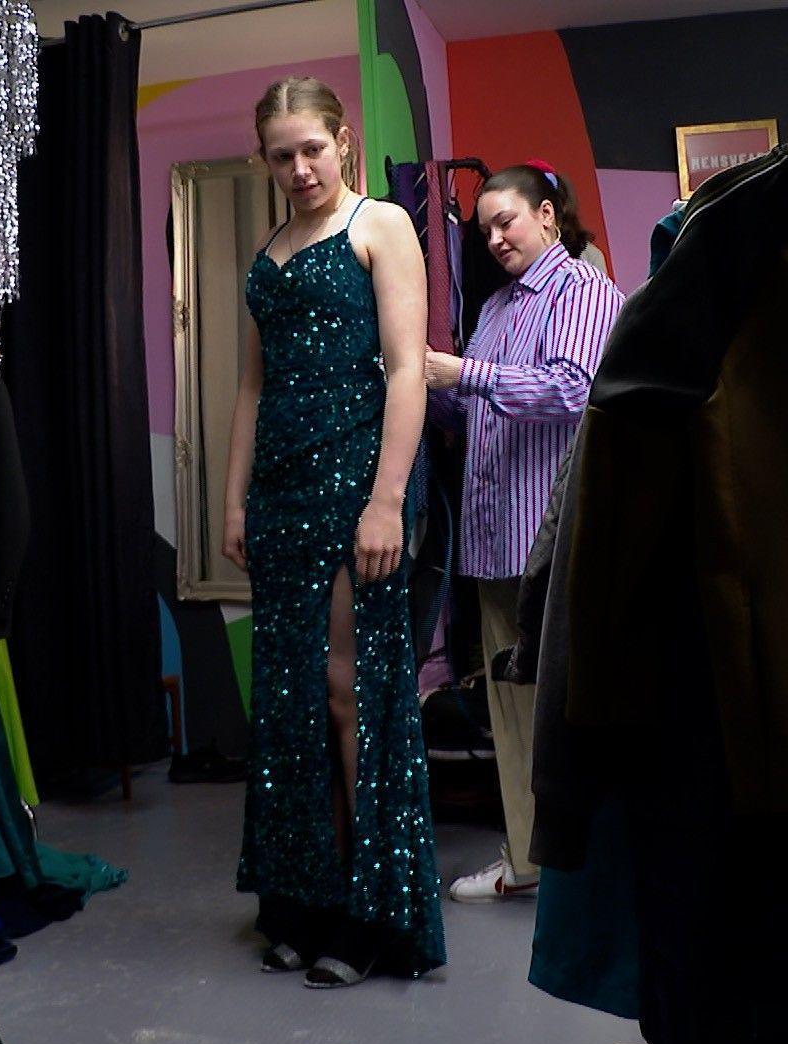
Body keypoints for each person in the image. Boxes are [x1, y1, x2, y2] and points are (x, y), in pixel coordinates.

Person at [222, 75, 444, 988]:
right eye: (283, 154)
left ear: (342, 140)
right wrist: (233, 501)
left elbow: (405, 370)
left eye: (312, 147)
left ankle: (364, 910)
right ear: (266, 159)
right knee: (289, 699)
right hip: (277, 497)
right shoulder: (268, 248)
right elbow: (250, 389)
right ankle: (299, 899)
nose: (300, 166)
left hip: (355, 486)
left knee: (348, 692)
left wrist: (387, 498)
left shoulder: (380, 224)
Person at [423, 161, 625, 904]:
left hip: (551, 546)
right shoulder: (498, 307)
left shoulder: (585, 293)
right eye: (484, 230)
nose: (496, 237)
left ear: (548, 216)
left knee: (565, 710)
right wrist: (422, 385)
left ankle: (586, 872)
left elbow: (572, 388)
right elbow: (474, 408)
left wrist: (462, 374)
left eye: (507, 220)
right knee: (510, 714)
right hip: (491, 544)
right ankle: (528, 861)